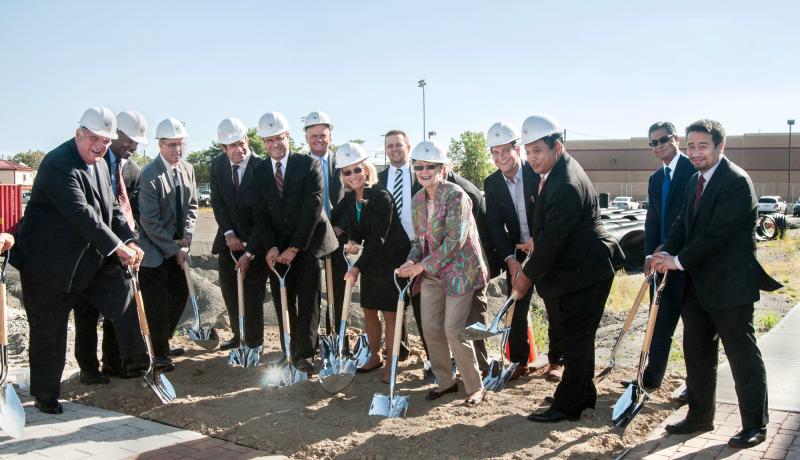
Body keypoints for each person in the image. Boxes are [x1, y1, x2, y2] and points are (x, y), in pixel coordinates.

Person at [652, 119, 781, 448]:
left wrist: (677, 261)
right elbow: (683, 224)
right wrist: (665, 249)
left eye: (702, 146)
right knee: (696, 354)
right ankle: (699, 416)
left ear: (720, 147)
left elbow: (716, 236)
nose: (695, 152)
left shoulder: (735, 182)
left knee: (742, 357)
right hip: (697, 288)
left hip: (730, 287)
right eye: (691, 146)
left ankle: (755, 425)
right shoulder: (696, 180)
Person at [10, 107, 146, 414]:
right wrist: (117, 249)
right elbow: (81, 215)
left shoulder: (99, 164)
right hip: (46, 266)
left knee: (123, 297)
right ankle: (45, 397)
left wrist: (129, 240)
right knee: (50, 332)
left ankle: (138, 364)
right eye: (94, 138)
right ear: (79, 134)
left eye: (106, 141)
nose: (100, 146)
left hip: (86, 257)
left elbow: (110, 209)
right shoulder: (59, 164)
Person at [513, 114, 624, 423]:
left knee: (575, 337)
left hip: (585, 271)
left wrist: (525, 277)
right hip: (576, 269)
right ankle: (581, 392)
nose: (532, 158)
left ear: (556, 147)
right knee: (578, 337)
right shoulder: (556, 170)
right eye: (528, 151)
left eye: (538, 151)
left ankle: (569, 404)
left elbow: (552, 242)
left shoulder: (565, 183)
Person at [398, 140, 488, 407]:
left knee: (453, 329)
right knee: (431, 327)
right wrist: (409, 262)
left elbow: (455, 240)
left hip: (461, 271)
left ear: (443, 167)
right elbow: (419, 243)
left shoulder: (457, 195)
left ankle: (474, 386)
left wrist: (421, 266)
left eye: (430, 166)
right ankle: (445, 381)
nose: (424, 171)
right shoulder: (416, 201)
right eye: (419, 167)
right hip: (432, 272)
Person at [252, 112, 338, 373]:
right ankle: (288, 348)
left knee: (309, 300)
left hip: (308, 244)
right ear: (263, 142)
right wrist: (271, 247)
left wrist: (295, 247)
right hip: (276, 248)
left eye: (278, 138)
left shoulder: (307, 164)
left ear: (287, 136)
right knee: (283, 300)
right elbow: (261, 212)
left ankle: (305, 354)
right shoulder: (260, 170)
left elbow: (312, 208)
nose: (274, 144)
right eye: (268, 140)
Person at [73, 110, 148, 384]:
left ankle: (115, 364)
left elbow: (127, 210)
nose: (133, 147)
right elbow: (84, 213)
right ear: (116, 136)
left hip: (120, 250)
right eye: (129, 141)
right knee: (86, 314)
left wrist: (130, 240)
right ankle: (88, 368)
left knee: (118, 309)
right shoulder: (92, 159)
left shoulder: (132, 170)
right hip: (89, 250)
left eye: (137, 143)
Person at [336, 143, 410, 382]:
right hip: (372, 260)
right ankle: (375, 356)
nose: (353, 176)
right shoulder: (350, 198)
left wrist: (357, 267)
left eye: (357, 169)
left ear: (366, 169)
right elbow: (355, 228)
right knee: (369, 308)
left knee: (390, 312)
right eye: (347, 172)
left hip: (392, 258)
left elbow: (378, 238)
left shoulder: (380, 196)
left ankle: (392, 362)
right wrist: (353, 240)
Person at [483, 121, 550, 381]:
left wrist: (538, 238)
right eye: (495, 153)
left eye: (505, 151)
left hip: (545, 248)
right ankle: (520, 362)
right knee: (517, 305)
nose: (500, 158)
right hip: (518, 253)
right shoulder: (492, 183)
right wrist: (510, 259)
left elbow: (549, 212)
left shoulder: (536, 174)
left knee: (553, 302)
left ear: (516, 149)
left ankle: (557, 361)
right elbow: (494, 225)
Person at [137, 117, 198, 372]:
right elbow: (149, 221)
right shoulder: (150, 174)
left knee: (180, 294)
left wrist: (186, 238)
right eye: (171, 145)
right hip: (153, 251)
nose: (177, 151)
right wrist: (173, 249)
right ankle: (158, 352)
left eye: (180, 145)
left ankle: (163, 341)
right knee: (157, 303)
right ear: (160, 145)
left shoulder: (187, 169)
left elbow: (193, 207)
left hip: (177, 248)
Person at [638, 121, 694, 393]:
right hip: (660, 264)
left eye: (663, 140)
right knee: (658, 322)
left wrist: (671, 248)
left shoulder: (693, 171)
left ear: (676, 139)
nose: (658, 146)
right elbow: (652, 221)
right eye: (653, 142)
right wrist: (650, 254)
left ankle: (694, 384)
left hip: (687, 263)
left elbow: (689, 219)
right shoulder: (655, 179)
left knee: (694, 329)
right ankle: (651, 379)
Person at [209, 118, 267, 351]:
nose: (239, 149)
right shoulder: (217, 165)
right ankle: (238, 334)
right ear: (224, 148)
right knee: (231, 292)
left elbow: (265, 212)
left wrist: (250, 247)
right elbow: (217, 201)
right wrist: (229, 233)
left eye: (241, 143)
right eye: (232, 145)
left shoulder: (261, 167)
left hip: (256, 242)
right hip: (228, 242)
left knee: (253, 295)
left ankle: (254, 341)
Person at [305, 111, 347, 336]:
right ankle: (313, 337)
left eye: (323, 135)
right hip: (310, 237)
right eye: (314, 136)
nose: (319, 139)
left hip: (338, 236)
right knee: (311, 290)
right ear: (306, 138)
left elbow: (353, 197)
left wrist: (341, 226)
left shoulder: (342, 163)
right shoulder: (301, 164)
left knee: (338, 289)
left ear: (330, 136)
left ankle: (337, 336)